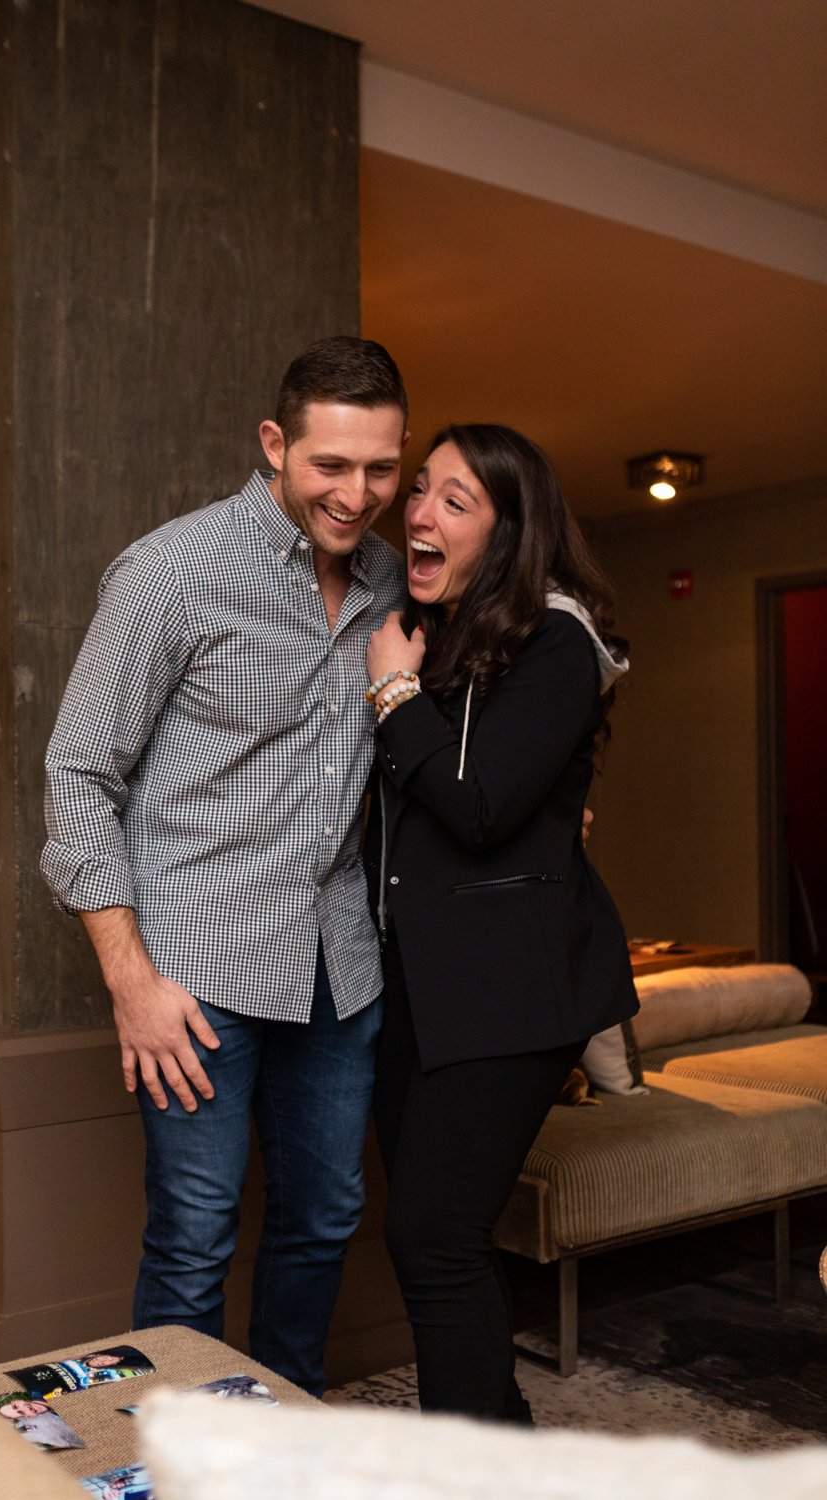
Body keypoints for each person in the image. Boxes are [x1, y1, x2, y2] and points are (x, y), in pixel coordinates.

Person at [41, 336, 408, 1397]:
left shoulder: (390, 580)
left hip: (339, 967)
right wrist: (131, 984)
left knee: (326, 1215)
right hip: (192, 973)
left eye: (380, 468)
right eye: (330, 466)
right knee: (196, 1233)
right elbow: (76, 774)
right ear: (274, 445)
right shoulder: (172, 569)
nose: (356, 495)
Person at [364, 422, 637, 1423]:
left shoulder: (555, 639)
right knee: (442, 1240)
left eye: (454, 500)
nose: (420, 514)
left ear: (509, 531)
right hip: (416, 984)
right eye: (421, 491)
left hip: (511, 986)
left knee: (431, 1240)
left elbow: (479, 809)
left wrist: (391, 689)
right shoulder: (436, 635)